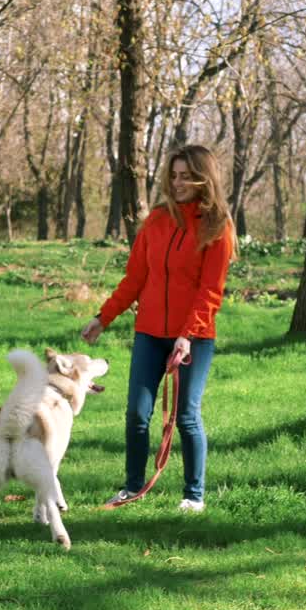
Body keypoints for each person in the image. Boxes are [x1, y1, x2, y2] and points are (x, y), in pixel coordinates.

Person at [80, 144, 236, 513]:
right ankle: (132, 487)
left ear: (204, 178)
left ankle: (193, 496)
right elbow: (136, 277)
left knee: (186, 415)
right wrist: (104, 317)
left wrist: (187, 334)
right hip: (150, 331)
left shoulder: (218, 227)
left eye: (187, 176)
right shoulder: (157, 220)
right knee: (137, 412)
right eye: (174, 175)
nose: (178, 182)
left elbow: (210, 291)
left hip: (193, 338)